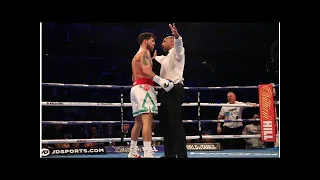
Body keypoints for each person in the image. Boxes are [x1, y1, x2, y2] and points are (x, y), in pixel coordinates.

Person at [128, 32, 174, 158]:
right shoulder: (145, 53)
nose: (154, 43)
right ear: (145, 41)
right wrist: (162, 82)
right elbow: (146, 71)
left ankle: (132, 151)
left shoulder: (135, 57)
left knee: (138, 122)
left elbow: (134, 76)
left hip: (135, 87)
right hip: (144, 88)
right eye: (152, 41)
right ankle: (148, 153)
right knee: (147, 122)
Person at [153, 23, 187, 158]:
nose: (161, 44)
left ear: (172, 42)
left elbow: (179, 45)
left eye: (164, 41)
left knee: (175, 124)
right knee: (166, 124)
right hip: (166, 92)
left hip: (175, 91)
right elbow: (161, 59)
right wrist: (154, 57)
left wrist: (177, 36)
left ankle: (181, 155)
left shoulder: (178, 52)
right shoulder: (167, 57)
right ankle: (170, 154)